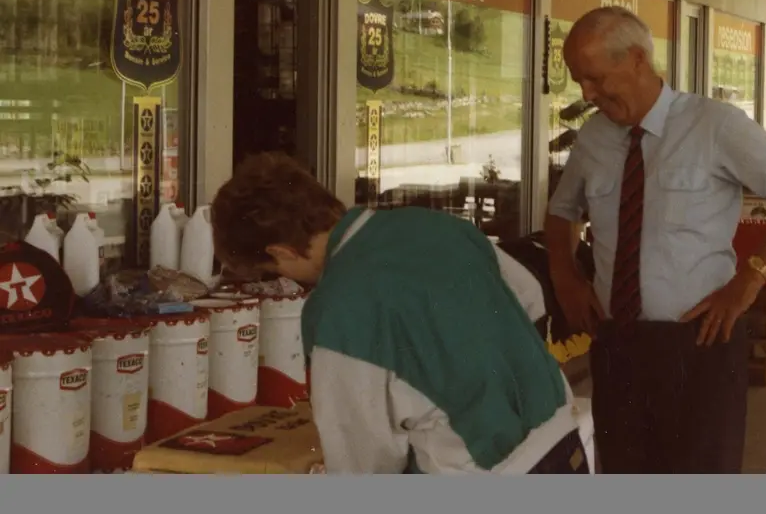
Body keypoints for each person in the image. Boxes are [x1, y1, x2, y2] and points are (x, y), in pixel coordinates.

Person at [545, 6, 766, 474]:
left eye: (595, 79)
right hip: (616, 343)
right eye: (580, 80)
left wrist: (750, 281)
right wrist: (565, 274)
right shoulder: (594, 138)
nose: (587, 94)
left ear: (637, 59)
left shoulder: (715, 125)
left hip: (700, 345)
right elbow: (562, 211)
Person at [209, 152, 589, 475]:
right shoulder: (439, 226)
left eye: (275, 272)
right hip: (561, 436)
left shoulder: (338, 310)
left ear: (281, 252)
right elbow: (530, 296)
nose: (286, 282)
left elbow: (363, 459)